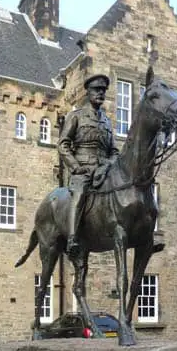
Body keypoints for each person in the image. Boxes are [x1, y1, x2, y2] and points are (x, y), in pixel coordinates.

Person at [58, 74, 119, 257]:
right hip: (83, 169)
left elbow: (114, 152)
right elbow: (63, 144)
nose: (101, 93)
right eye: (97, 90)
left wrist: (107, 165)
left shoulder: (107, 121)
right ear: (88, 92)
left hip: (103, 170)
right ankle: (72, 238)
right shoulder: (76, 116)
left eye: (103, 90)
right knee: (80, 193)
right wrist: (76, 167)